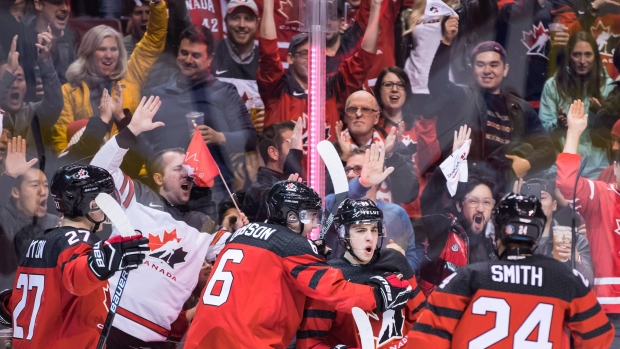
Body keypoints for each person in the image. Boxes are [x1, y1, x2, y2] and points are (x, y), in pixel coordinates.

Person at [184, 180, 415, 348]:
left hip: (200, 337)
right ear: (291, 217)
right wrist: (379, 295)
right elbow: (334, 290)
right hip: (246, 341)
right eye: (310, 216)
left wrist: (311, 253)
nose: (314, 225)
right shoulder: (292, 246)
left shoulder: (242, 234)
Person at [90, 96, 235, 348]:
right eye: (179, 169)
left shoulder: (203, 224)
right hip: (107, 323)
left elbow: (238, 252)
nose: (188, 174)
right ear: (158, 176)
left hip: (157, 339)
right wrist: (132, 130)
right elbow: (99, 170)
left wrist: (243, 232)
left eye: (190, 170)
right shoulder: (134, 195)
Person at [410, 193, 614, 348]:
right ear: (538, 232)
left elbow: (423, 341)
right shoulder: (566, 280)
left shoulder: (467, 278)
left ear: (496, 233)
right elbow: (599, 337)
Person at [0, 163, 149, 348]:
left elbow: (23, 303)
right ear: (92, 204)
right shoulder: (79, 240)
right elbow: (77, 276)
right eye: (108, 199)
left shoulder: (42, 240)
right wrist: (107, 257)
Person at [429, 19, 555, 187]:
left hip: (505, 189)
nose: (487, 71)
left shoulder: (521, 108)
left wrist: (526, 164)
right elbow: (437, 85)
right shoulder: (461, 96)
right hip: (467, 188)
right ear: (472, 69)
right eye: (480, 65)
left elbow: (548, 149)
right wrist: (446, 42)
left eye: (494, 65)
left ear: (505, 69)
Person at [144, 25, 258, 203]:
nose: (188, 59)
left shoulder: (224, 92)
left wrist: (219, 137)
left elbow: (250, 138)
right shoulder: (157, 94)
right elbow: (144, 142)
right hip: (167, 193)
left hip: (213, 193)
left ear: (209, 59)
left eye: (196, 55)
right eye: (184, 53)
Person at [297, 198, 426, 348]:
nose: (369, 238)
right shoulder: (329, 276)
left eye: (374, 229)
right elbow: (310, 342)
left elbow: (422, 318)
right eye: (360, 230)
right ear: (344, 234)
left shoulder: (395, 260)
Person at [258, 0, 382, 147]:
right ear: (290, 58)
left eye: (314, 53)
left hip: (326, 169)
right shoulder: (277, 89)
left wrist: (375, 7)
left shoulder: (334, 89)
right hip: (283, 169)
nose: (310, 59)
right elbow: (268, 51)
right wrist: (268, 4)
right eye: (304, 53)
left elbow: (363, 60)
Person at [51, 0, 167, 154]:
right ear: (88, 53)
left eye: (114, 49)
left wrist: (158, 4)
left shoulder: (132, 75)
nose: (109, 56)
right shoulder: (68, 91)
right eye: (102, 49)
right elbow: (61, 143)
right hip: (88, 167)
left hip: (130, 165)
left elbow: (153, 40)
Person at [557, 99, 620, 345]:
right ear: (614, 169)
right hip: (604, 316)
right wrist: (573, 133)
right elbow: (567, 184)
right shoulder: (602, 195)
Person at [419, 126, 498, 295]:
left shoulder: (495, 244)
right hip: (435, 314)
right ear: (459, 205)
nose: (480, 208)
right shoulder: (442, 230)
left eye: (486, 202)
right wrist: (455, 160)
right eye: (473, 201)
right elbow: (429, 197)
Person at [326, 146, 420, 272]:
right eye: (347, 170)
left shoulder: (397, 213)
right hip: (344, 287)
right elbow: (339, 200)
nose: (349, 174)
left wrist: (401, 269)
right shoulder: (332, 205)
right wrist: (362, 183)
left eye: (358, 169)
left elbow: (411, 257)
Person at [540, 31, 615, 179]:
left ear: (595, 57)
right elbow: (542, 133)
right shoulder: (553, 85)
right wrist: (559, 125)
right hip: (562, 169)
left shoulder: (609, 86)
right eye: (576, 54)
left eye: (588, 54)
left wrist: (602, 115)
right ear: (569, 56)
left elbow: (616, 134)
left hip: (600, 170)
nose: (582, 60)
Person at [335, 90, 420, 205]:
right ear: (345, 116)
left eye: (365, 109)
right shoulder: (333, 150)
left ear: (376, 117)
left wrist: (391, 156)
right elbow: (325, 196)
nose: (358, 114)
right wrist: (344, 158)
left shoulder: (395, 147)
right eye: (352, 109)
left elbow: (408, 195)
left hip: (385, 219)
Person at [0, 137, 58, 293]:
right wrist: (9, 177)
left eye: (45, 185)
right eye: (34, 185)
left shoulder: (56, 225)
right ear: (15, 192)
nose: (43, 191)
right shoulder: (5, 219)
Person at [0, 32, 63, 163]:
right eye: (9, 79)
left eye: (19, 79)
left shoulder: (32, 113)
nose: (15, 85)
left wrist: (45, 61)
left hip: (32, 178)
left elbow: (54, 105)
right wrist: (8, 73)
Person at [519, 177, 594, 284]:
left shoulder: (575, 239)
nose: (537, 202)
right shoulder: (514, 237)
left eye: (542, 197)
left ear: (554, 205)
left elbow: (589, 281)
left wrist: (576, 259)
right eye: (530, 198)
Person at [243, 118, 304, 222]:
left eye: (297, 143)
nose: (299, 148)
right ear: (273, 153)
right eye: (291, 143)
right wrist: (295, 154)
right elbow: (277, 211)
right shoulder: (260, 188)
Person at [20, 0, 75, 102]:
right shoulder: (22, 39)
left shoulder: (75, 39)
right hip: (33, 113)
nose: (65, 9)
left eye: (67, 3)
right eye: (57, 3)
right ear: (38, 4)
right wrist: (31, 91)